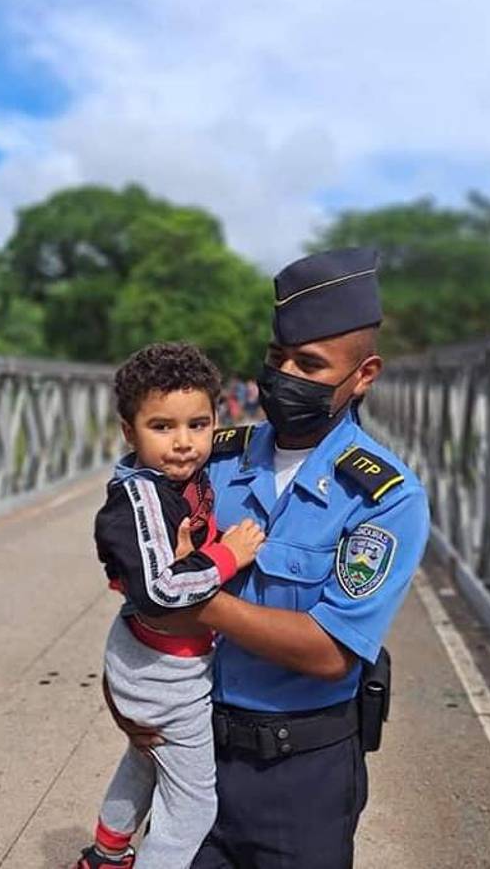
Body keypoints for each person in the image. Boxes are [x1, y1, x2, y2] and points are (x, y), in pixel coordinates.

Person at [107, 247, 430, 868]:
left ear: (363, 376)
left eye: (309, 364)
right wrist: (124, 694)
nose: (283, 375)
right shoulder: (212, 459)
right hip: (190, 748)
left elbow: (329, 651)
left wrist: (195, 595)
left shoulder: (384, 497)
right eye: (277, 358)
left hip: (300, 778)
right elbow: (137, 579)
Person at [78, 343, 267, 869]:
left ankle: (107, 853)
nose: (184, 443)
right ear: (128, 432)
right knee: (192, 806)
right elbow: (161, 588)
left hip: (160, 654)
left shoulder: (177, 481)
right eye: (162, 427)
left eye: (198, 425)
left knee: (145, 758)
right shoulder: (135, 500)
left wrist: (203, 552)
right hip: (161, 670)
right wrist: (227, 556)